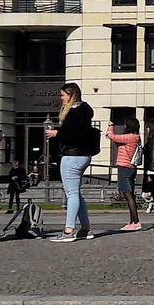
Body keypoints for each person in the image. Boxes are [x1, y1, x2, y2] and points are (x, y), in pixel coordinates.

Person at [46, 83, 98, 242]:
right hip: (84, 155)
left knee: (72, 194)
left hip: (72, 155)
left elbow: (73, 135)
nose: (61, 98)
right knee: (75, 192)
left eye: (63, 95)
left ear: (70, 95)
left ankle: (69, 230)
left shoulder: (73, 113)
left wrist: (57, 133)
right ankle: (85, 228)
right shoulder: (85, 111)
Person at [108, 119, 144, 230]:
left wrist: (111, 126)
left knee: (128, 194)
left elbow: (112, 136)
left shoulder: (130, 137)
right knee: (130, 194)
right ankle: (132, 221)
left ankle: (136, 222)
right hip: (130, 167)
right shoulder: (135, 137)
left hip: (125, 167)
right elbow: (117, 141)